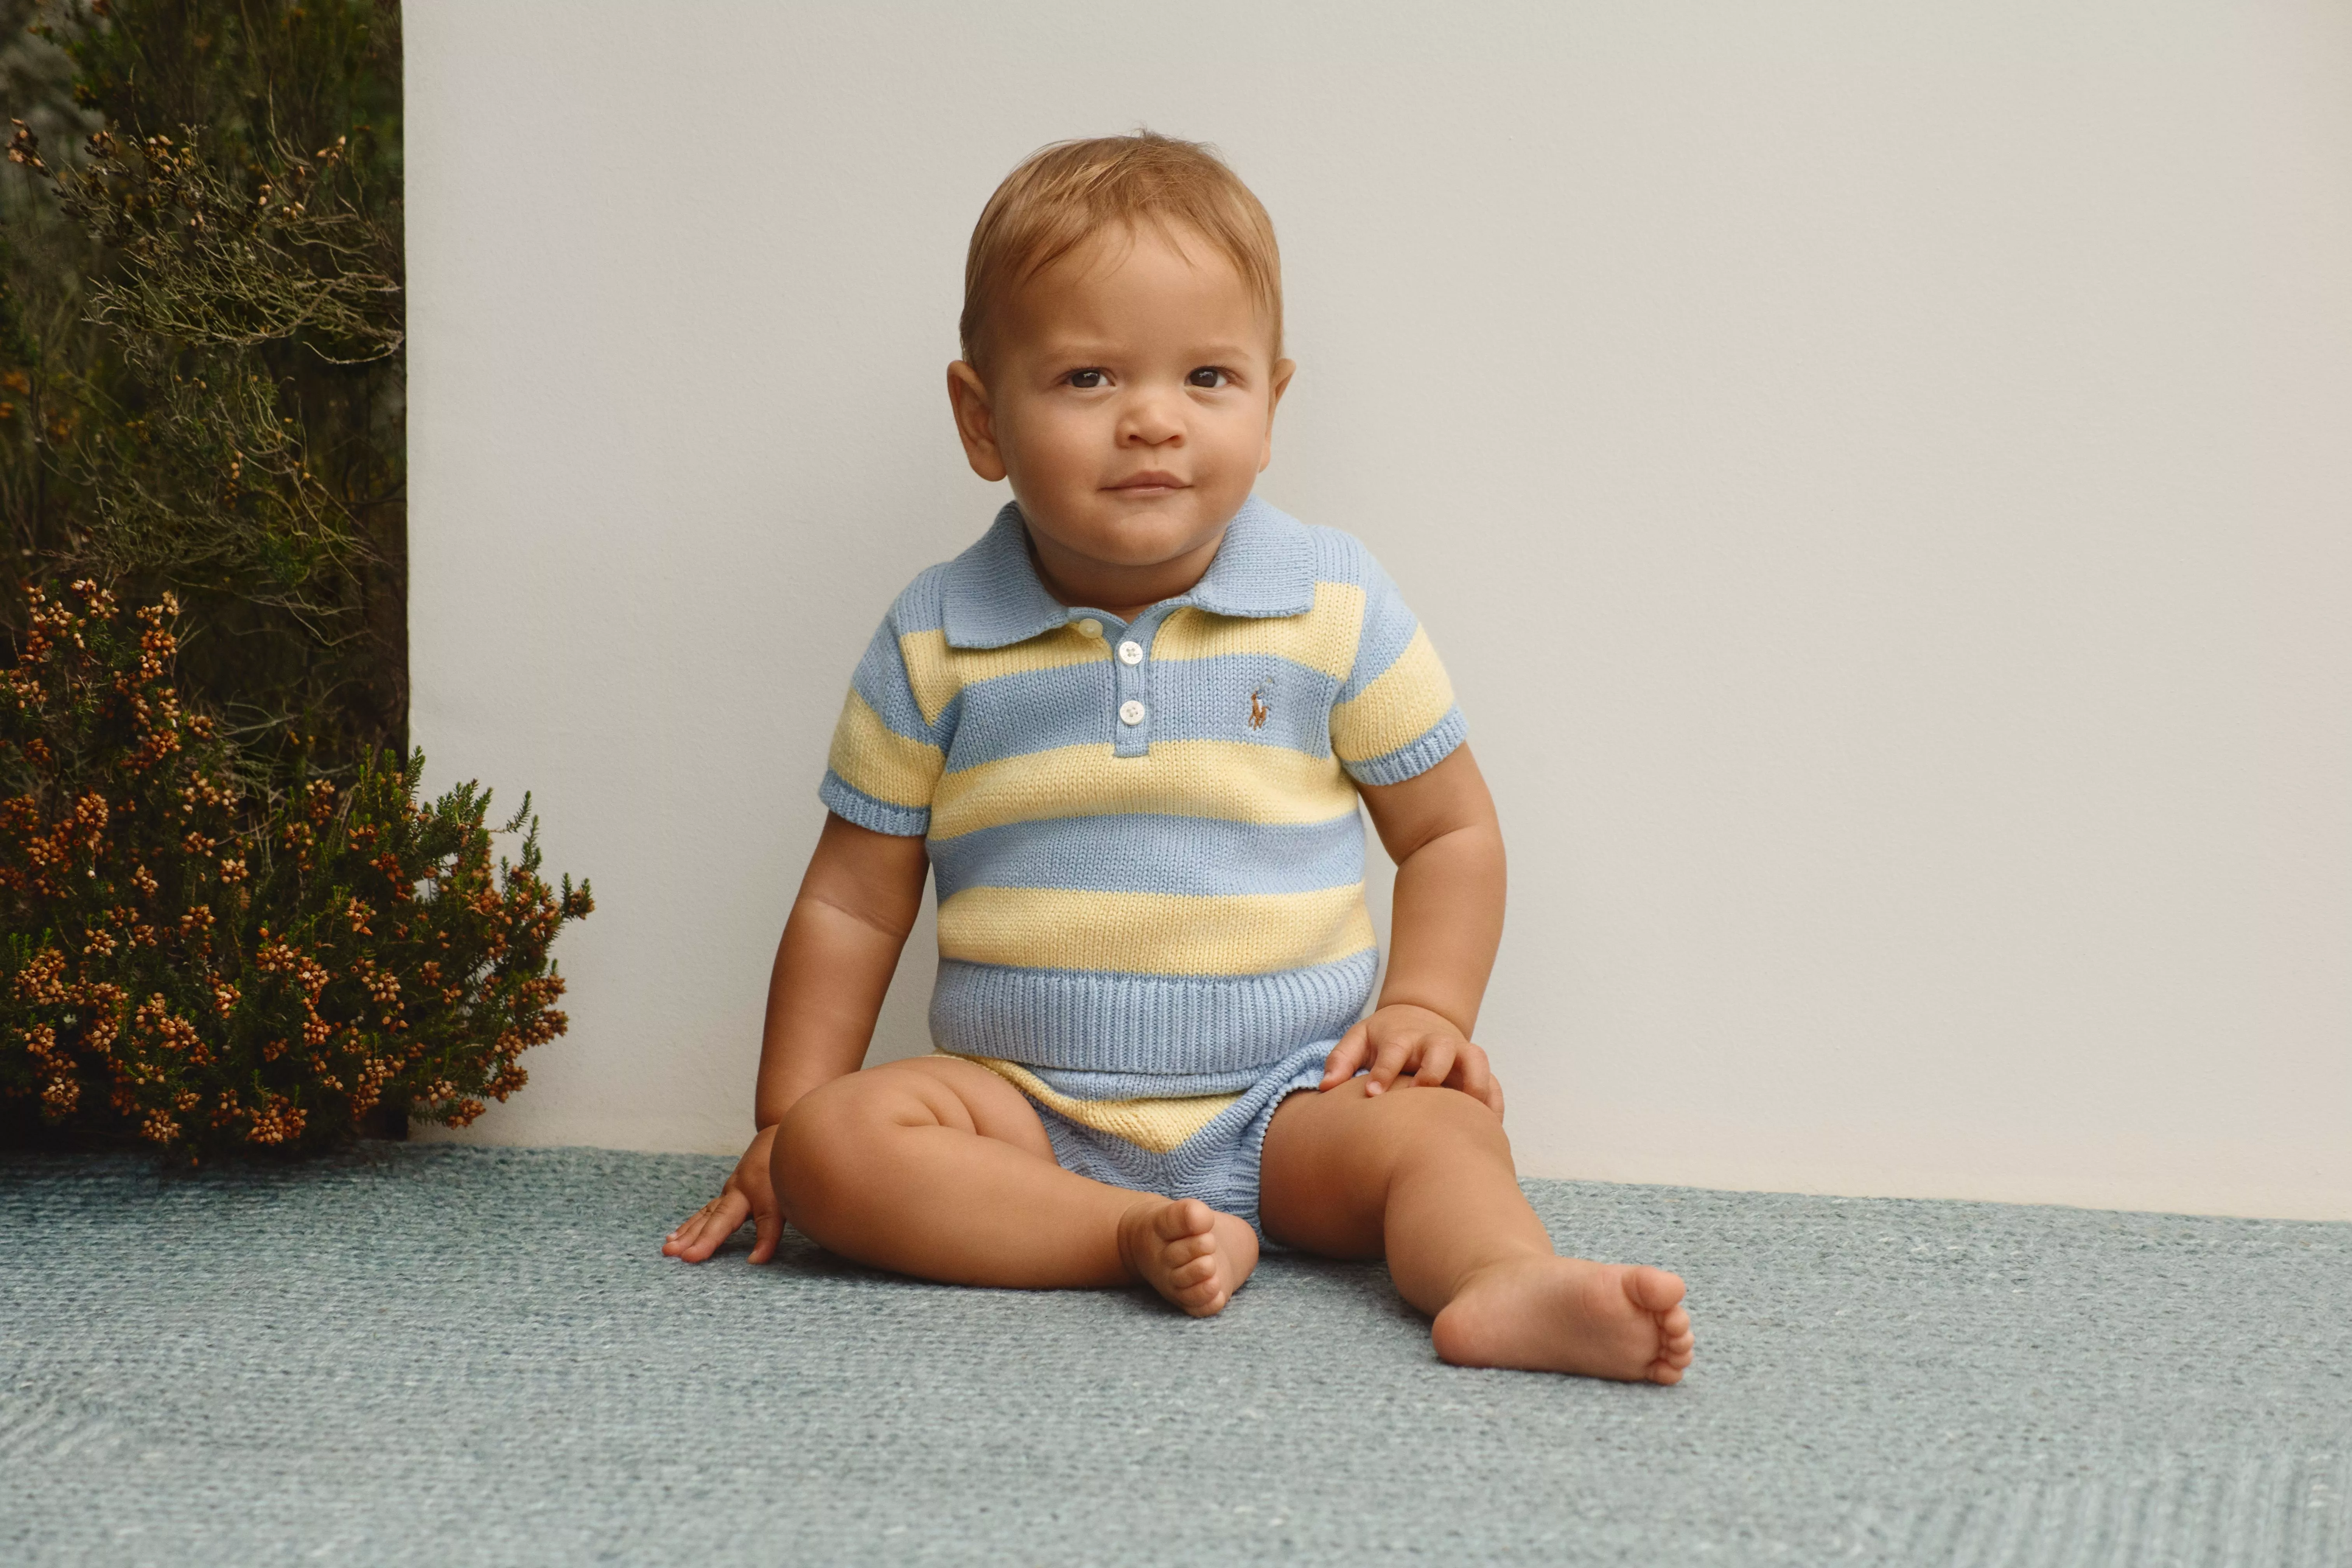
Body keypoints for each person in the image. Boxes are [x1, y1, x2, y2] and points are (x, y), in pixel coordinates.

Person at [664, 133, 1695, 1382]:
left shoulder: (1333, 605)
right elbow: (848, 900)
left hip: (1289, 1104)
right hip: (1020, 1113)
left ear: (1271, 409)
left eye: (1208, 377)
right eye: (1090, 378)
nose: (1153, 420)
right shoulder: (936, 635)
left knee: (1443, 1136)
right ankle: (1123, 1238)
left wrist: (1428, 1008)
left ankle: (1500, 1282)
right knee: (843, 1146)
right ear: (982, 419)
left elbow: (1451, 833)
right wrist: (783, 1122)